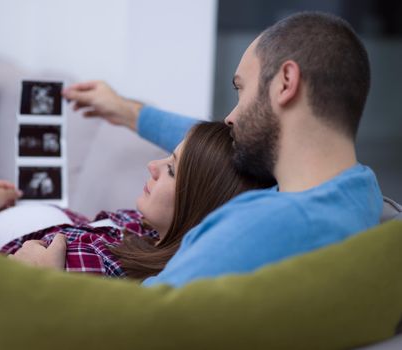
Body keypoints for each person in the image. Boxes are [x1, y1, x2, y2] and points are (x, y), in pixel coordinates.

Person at [61, 11, 383, 287]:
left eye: (241, 90)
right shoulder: (359, 190)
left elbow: (131, 324)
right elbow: (216, 144)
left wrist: (45, 276)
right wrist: (126, 111)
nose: (230, 117)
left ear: (285, 82)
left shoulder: (252, 230)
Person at [0, 122, 269, 299]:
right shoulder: (145, 228)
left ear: (197, 202)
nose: (152, 165)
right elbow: (86, 227)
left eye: (170, 169)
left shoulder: (102, 266)